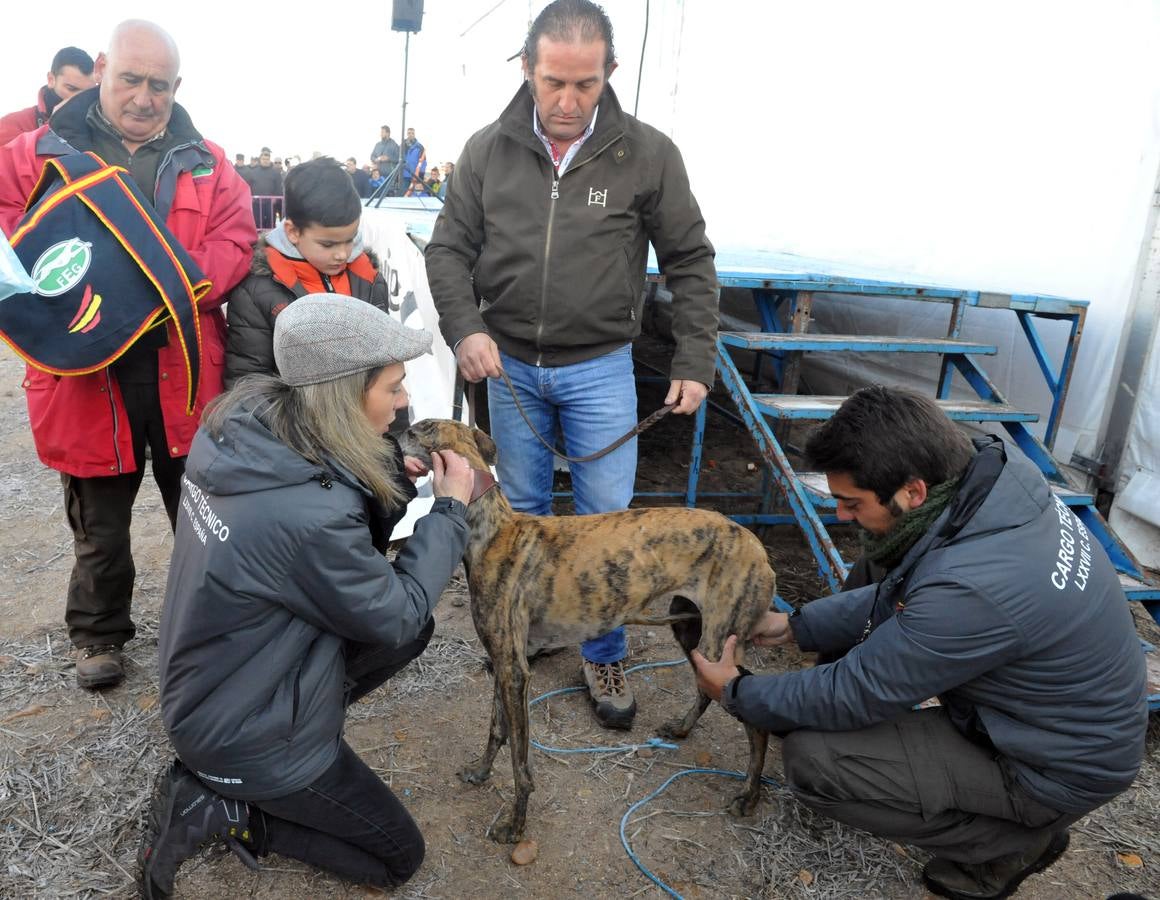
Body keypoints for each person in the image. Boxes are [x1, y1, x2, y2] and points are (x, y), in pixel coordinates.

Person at [690, 386, 1149, 900]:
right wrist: (798, 625)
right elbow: (904, 589)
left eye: (851, 503)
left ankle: (1013, 842)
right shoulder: (998, 489)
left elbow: (857, 690)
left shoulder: (975, 587)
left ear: (913, 491)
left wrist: (737, 692)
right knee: (876, 564)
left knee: (815, 760)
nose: (840, 515)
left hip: (1049, 766)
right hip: (1049, 722)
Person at [425, 0, 717, 730]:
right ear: (527, 69)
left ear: (609, 74)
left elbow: (690, 259)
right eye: (553, 81)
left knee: (607, 525)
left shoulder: (647, 154)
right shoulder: (488, 151)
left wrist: (694, 357)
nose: (566, 100)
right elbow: (448, 251)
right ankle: (527, 630)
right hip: (510, 367)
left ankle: (604, 648)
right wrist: (465, 329)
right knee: (518, 512)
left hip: (601, 370)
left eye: (585, 84)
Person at [141, 295, 474, 897]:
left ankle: (290, 741)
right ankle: (229, 809)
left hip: (209, 685)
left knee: (413, 625)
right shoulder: (306, 518)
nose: (403, 403)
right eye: (394, 388)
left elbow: (332, 521)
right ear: (345, 395)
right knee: (398, 858)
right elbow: (391, 611)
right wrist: (450, 512)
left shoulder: (238, 433)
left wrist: (393, 472)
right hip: (243, 733)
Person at [0, 20, 255, 690]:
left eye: (160, 86)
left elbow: (235, 239)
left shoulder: (209, 162)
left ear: (178, 87)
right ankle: (97, 634)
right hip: (85, 374)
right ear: (104, 69)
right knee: (100, 526)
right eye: (131, 80)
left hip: (183, 367)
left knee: (205, 516)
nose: (144, 97)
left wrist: (168, 289)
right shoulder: (31, 156)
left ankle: (217, 629)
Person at [225, 156, 391, 387]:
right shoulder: (256, 291)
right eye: (328, 245)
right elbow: (249, 382)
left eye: (350, 240)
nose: (342, 254)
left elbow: (388, 366)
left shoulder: (369, 278)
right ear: (293, 231)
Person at [0, 47, 96, 146]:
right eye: (71, 89)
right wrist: (53, 126)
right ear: (51, 79)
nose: (79, 99)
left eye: (86, 94)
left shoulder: (98, 126)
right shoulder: (12, 124)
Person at [401, 127, 426, 194]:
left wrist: (421, 175)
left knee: (415, 196)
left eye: (412, 133)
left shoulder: (420, 147)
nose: (410, 135)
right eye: (409, 133)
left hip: (415, 176)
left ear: (414, 134)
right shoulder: (402, 146)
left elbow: (423, 162)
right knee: (404, 195)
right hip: (404, 176)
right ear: (407, 134)